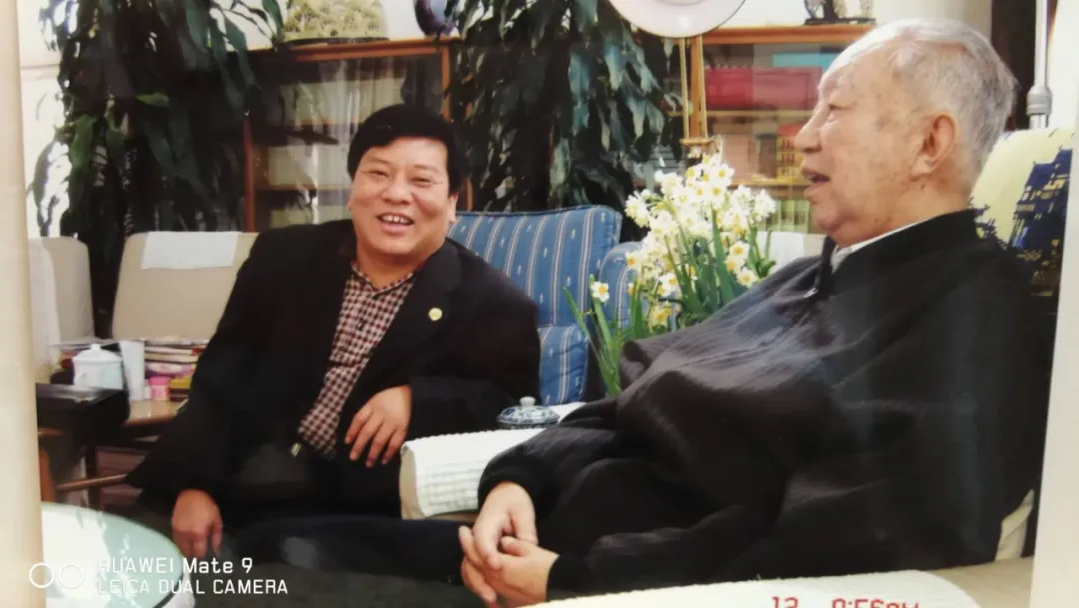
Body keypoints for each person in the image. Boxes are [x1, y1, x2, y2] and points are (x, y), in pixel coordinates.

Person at [455, 18, 1051, 604]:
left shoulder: (973, 318)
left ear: (929, 144)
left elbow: (839, 535)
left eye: (835, 110)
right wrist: (521, 478)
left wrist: (577, 580)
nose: (803, 137)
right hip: (531, 542)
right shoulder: (805, 279)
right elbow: (628, 404)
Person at [125, 103, 542, 560]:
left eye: (421, 181)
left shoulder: (493, 304)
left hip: (349, 514)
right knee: (128, 559)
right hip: (234, 474)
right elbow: (220, 377)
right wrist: (195, 485)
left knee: (272, 570)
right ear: (352, 189)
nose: (396, 194)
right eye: (378, 174)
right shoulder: (283, 258)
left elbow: (513, 414)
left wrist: (418, 399)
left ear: (452, 204)